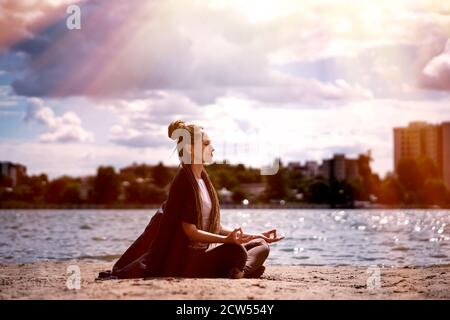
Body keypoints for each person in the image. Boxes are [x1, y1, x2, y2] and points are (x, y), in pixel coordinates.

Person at [103, 120, 283, 280]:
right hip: (186, 259)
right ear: (191, 149)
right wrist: (228, 241)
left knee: (261, 245)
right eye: (206, 144)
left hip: (203, 253)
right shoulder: (184, 180)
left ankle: (240, 272)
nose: (212, 148)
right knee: (236, 252)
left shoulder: (203, 179)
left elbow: (212, 226)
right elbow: (191, 232)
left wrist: (251, 235)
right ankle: (243, 271)